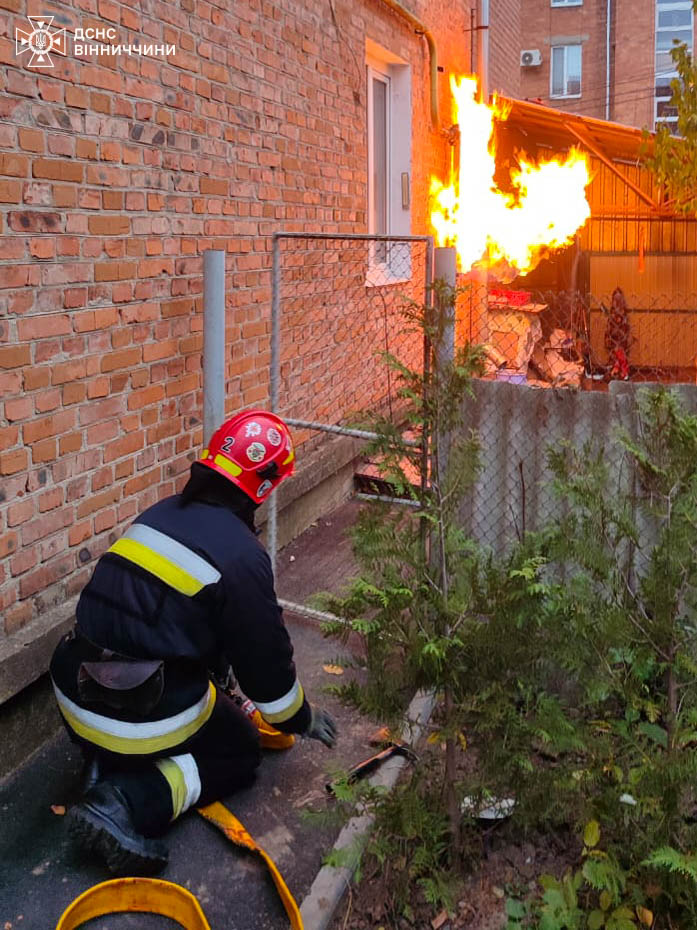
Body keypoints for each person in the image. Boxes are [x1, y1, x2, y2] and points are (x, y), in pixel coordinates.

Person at [49, 409, 337, 875]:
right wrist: (300, 718)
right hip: (136, 706)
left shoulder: (157, 515)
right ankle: (125, 802)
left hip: (71, 686)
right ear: (264, 486)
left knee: (193, 692)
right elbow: (267, 673)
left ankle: (106, 763)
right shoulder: (241, 556)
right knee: (238, 748)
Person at [604, 286, 631, 381]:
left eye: (618, 298)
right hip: (614, 338)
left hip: (620, 338)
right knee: (616, 356)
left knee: (620, 355)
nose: (616, 300)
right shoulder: (612, 311)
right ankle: (617, 372)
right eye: (615, 298)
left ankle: (623, 373)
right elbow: (609, 326)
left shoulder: (622, 313)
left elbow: (625, 326)